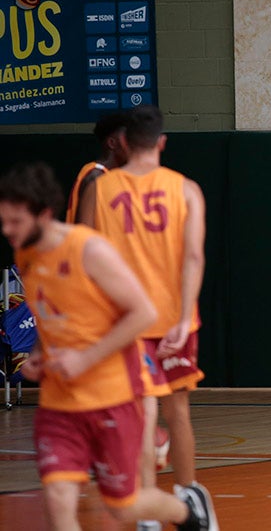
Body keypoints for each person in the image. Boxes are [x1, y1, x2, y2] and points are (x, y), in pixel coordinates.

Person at [0, 162, 217, 531]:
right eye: (3, 220)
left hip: (111, 397)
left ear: (45, 214)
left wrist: (85, 357)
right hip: (60, 405)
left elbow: (143, 313)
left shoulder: (90, 250)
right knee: (57, 500)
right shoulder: (27, 255)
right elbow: (54, 321)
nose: (6, 230)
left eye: (15, 221)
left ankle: (188, 512)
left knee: (123, 506)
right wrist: (37, 356)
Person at [78, 105, 208, 531]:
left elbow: (86, 256)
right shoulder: (186, 188)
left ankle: (146, 507)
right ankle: (189, 495)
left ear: (124, 143)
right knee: (179, 412)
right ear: (162, 143)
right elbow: (193, 257)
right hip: (175, 320)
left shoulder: (100, 187)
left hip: (124, 322)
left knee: (139, 413)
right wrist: (181, 314)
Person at [64, 111, 128, 223]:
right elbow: (85, 228)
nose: (135, 145)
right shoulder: (96, 176)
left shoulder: (109, 173)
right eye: (128, 139)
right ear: (112, 143)